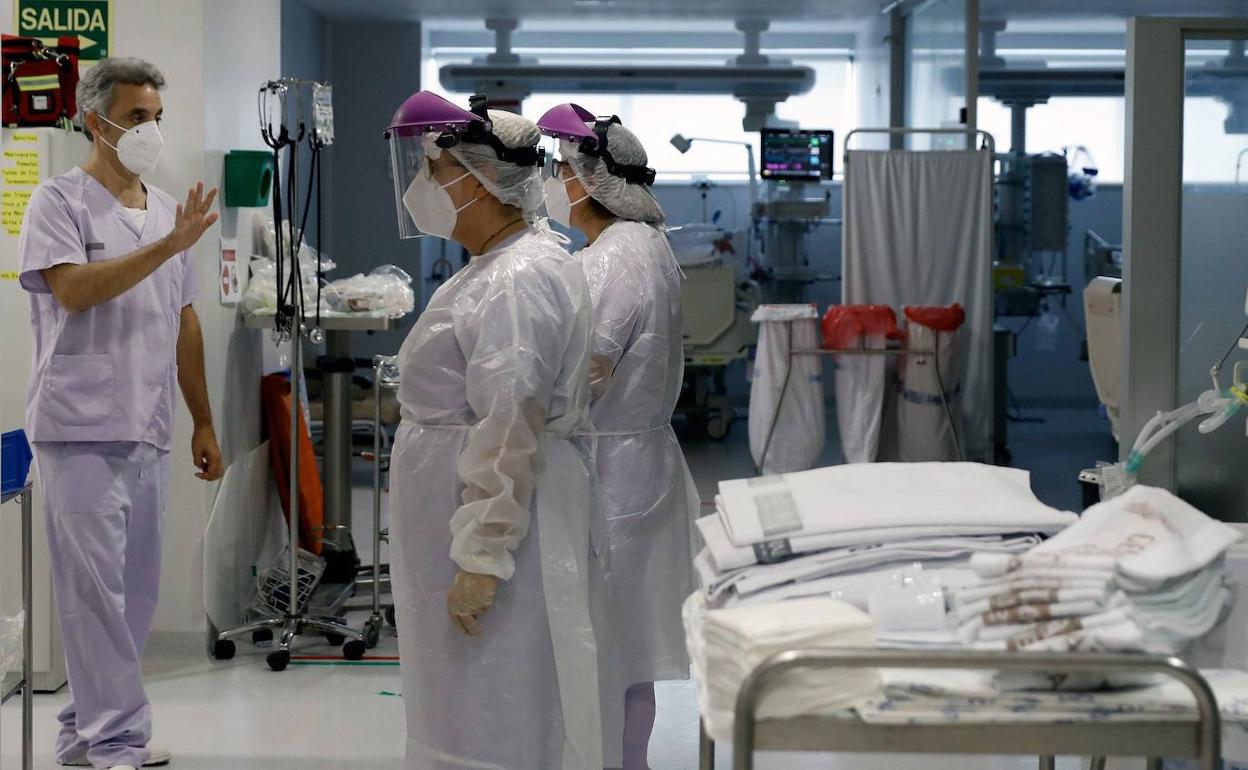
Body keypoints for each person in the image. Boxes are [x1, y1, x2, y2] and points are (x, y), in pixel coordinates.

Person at [383, 91, 602, 770]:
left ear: (475, 184)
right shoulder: (498, 269)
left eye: (431, 170)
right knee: (459, 695)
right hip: (455, 515)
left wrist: (482, 556)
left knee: (492, 696)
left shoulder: (517, 280)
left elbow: (511, 422)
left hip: (486, 531)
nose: (422, 188)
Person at [17, 58, 222, 770]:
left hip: (148, 426)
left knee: (132, 597)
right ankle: (114, 744)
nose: (150, 131)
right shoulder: (58, 203)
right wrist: (168, 246)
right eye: (137, 117)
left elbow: (184, 319)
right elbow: (72, 292)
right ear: (93, 120)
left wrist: (202, 419)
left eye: (156, 117)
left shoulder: (170, 210)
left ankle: (84, 732)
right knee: (93, 596)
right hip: (77, 429)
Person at [538, 105, 698, 770]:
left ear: (586, 182)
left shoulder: (609, 262)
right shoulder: (648, 245)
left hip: (611, 470)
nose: (549, 183)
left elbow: (584, 377)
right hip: (643, 462)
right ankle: (628, 759)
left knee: (604, 641)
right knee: (630, 646)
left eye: (557, 170)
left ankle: (614, 761)